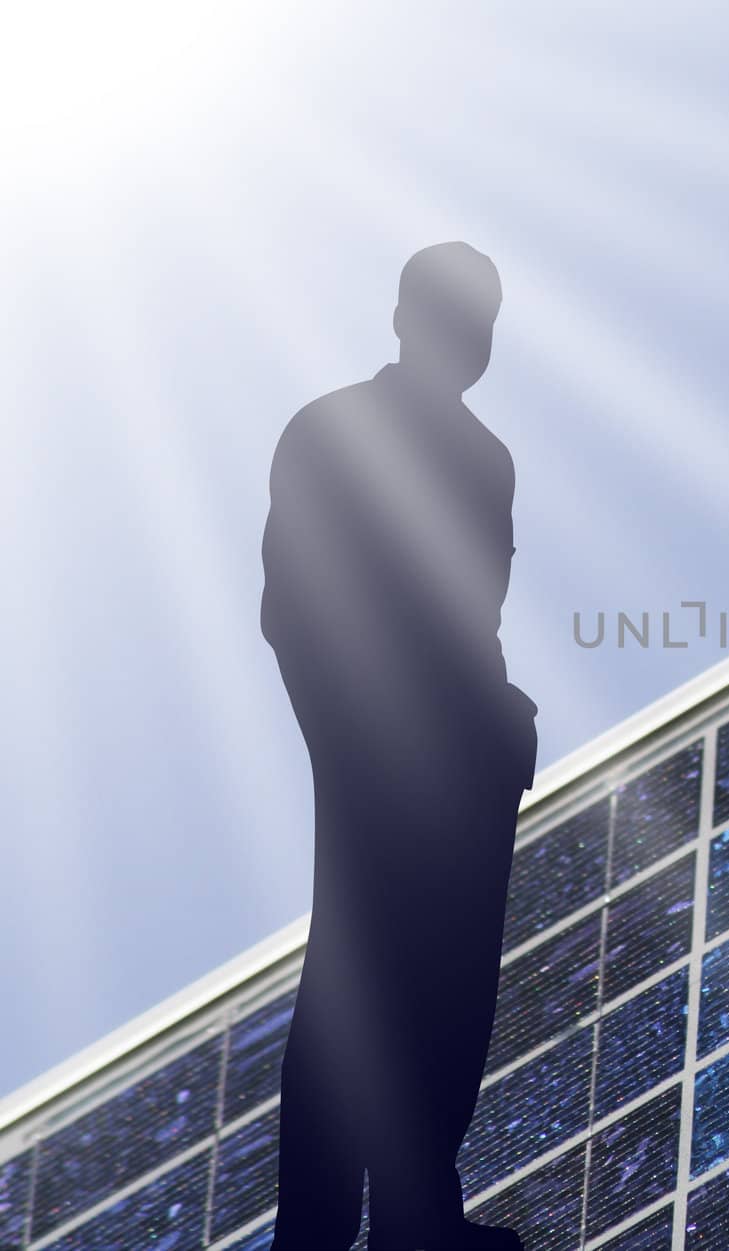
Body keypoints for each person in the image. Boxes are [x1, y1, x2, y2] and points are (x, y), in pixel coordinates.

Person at [261, 242, 537, 1251]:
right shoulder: (333, 429)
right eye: (460, 312)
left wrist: (499, 720)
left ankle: (422, 1207)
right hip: (375, 730)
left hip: (467, 743)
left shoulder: (486, 460)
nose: (475, 337)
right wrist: (360, 720)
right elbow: (293, 599)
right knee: (362, 971)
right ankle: (323, 1227)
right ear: (407, 317)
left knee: (453, 982)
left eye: (487, 319)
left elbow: (478, 609)